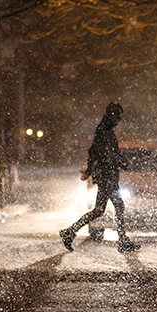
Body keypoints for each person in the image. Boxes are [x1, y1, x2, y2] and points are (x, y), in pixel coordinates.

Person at [59, 102, 140, 253]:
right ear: (113, 115)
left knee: (99, 210)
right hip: (106, 175)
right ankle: (122, 241)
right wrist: (121, 163)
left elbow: (95, 152)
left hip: (106, 175)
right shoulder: (105, 131)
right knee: (118, 205)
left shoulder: (104, 130)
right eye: (118, 116)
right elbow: (105, 154)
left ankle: (70, 232)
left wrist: (91, 170)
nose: (119, 119)